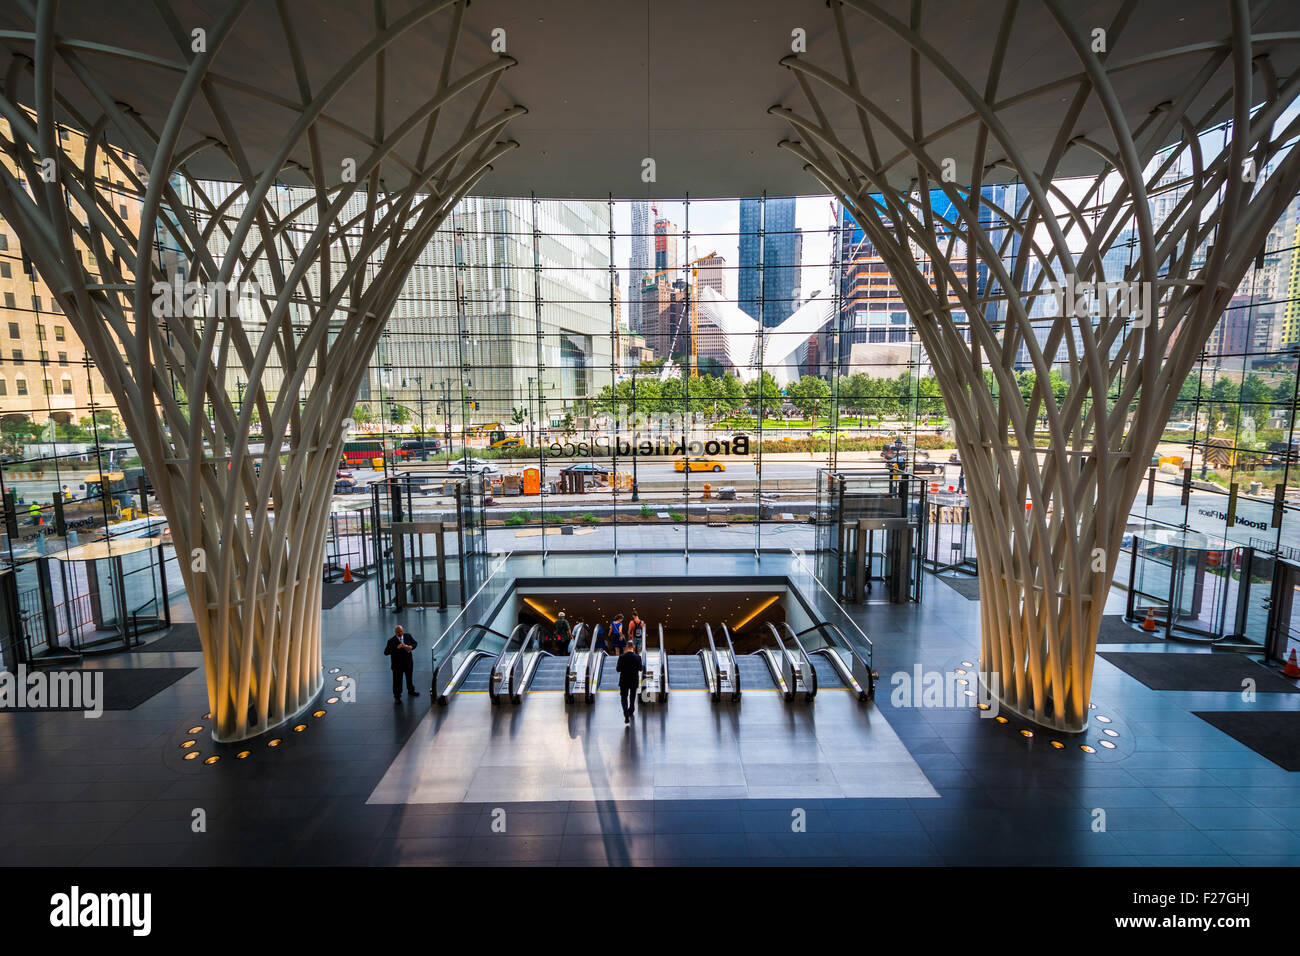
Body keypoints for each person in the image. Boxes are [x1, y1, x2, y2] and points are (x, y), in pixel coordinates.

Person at [384, 625, 420, 704]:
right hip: (397, 666)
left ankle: (411, 691)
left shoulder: (408, 636)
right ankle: (397, 697)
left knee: (409, 678)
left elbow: (415, 643)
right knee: (397, 682)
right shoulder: (391, 641)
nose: (400, 633)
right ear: (395, 633)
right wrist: (396, 648)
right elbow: (386, 652)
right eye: (398, 632)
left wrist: (411, 647)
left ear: (403, 631)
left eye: (401, 631)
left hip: (408, 663)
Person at [616, 642, 644, 724]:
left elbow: (618, 669)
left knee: (624, 697)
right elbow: (640, 668)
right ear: (633, 647)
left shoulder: (621, 657)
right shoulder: (637, 657)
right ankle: (631, 710)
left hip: (624, 680)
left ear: (626, 647)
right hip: (633, 680)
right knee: (632, 696)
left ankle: (626, 714)